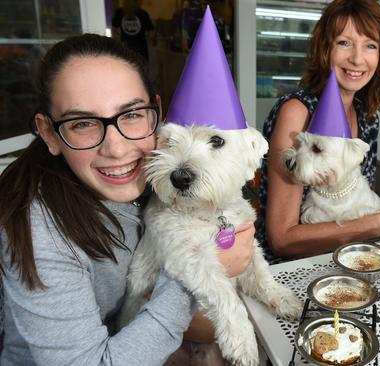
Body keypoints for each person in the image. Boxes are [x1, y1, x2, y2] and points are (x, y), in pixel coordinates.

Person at [0, 34, 255, 365]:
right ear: (49, 132)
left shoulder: (159, 174)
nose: (117, 149)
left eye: (132, 115)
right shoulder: (39, 231)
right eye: (83, 123)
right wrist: (204, 272)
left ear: (156, 114)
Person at [257, 0, 380, 261]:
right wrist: (378, 223)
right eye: (344, 42)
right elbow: (281, 240)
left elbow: (356, 200)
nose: (357, 58)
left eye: (370, 45)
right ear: (324, 48)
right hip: (294, 265)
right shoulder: (297, 112)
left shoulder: (368, 116)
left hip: (350, 255)